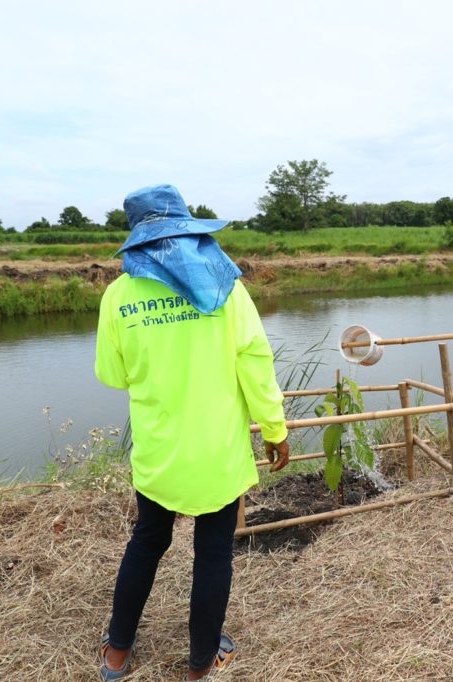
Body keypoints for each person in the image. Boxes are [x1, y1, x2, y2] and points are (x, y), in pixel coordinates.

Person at [94, 184, 290, 681]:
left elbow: (113, 376)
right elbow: (256, 364)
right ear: (189, 230)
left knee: (147, 540)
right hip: (217, 452)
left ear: (138, 240)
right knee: (213, 553)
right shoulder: (226, 288)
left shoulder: (119, 295)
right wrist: (274, 427)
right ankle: (202, 664)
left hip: (160, 453)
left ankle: (117, 655)